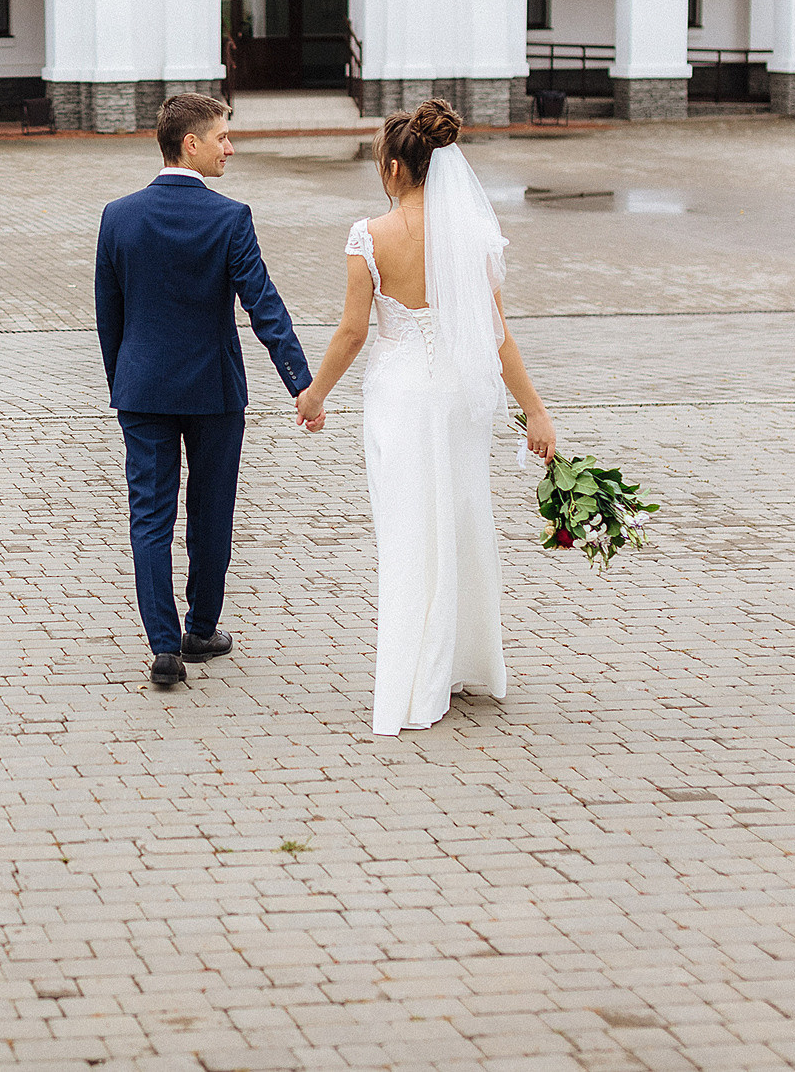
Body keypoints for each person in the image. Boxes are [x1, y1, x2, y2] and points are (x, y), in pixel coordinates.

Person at [292, 100, 557, 733]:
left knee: (409, 530)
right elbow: (499, 337)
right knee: (462, 518)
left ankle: (415, 678)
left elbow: (354, 332)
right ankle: (467, 660)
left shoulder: (369, 237)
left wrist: (315, 393)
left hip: (402, 396)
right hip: (462, 396)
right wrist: (537, 415)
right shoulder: (473, 238)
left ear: (392, 168)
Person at [95, 93, 312, 689]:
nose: (230, 147)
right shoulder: (229, 218)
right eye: (222, 137)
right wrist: (301, 381)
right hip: (214, 393)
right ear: (190, 144)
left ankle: (164, 648)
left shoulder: (118, 216)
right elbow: (263, 304)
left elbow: (107, 315)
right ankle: (201, 628)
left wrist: (126, 383)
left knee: (149, 516)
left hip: (141, 390)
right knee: (211, 511)